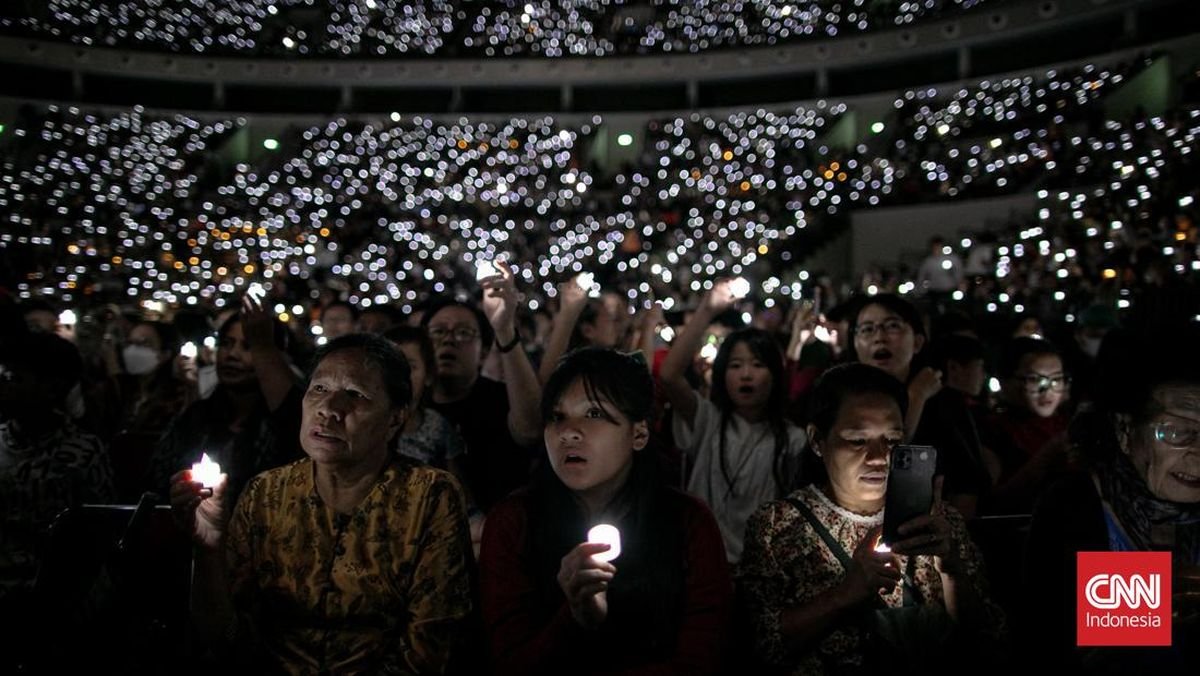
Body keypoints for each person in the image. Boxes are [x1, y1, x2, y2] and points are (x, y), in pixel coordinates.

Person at [173, 333, 477, 673]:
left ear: (395, 418)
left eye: (355, 395)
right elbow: (225, 639)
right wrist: (207, 550)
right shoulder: (266, 494)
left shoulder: (429, 496)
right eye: (318, 389)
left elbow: (431, 648)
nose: (329, 409)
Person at [739, 363, 1005, 674]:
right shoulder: (776, 527)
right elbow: (760, 646)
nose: (879, 457)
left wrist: (951, 569)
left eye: (891, 441)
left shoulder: (937, 521)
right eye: (857, 441)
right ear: (816, 440)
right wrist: (844, 595)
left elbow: (990, 643)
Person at [480, 348, 732, 675]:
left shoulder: (688, 521)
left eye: (594, 414)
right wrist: (576, 616)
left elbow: (703, 657)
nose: (569, 431)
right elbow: (508, 661)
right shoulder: (513, 522)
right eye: (557, 416)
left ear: (638, 433)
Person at [1023, 327, 1200, 671]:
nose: (1198, 454)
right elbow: (1054, 649)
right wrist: (1166, 601)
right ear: (1124, 430)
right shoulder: (1075, 505)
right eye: (1179, 433)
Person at [659, 278, 808, 563]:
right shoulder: (708, 421)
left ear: (775, 375)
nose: (746, 375)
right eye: (736, 365)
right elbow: (669, 376)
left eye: (758, 365)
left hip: (761, 569)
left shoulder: (793, 439)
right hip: (701, 562)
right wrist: (707, 310)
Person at [147, 305, 303, 509]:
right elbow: (157, 482)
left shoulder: (283, 426)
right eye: (227, 344)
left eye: (248, 346)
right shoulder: (197, 417)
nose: (232, 355)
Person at [849, 294, 990, 518]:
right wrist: (915, 397)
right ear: (855, 343)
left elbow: (969, 483)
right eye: (867, 329)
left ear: (917, 342)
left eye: (892, 326)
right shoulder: (844, 400)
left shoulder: (946, 402)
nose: (879, 338)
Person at [421, 259, 543, 513]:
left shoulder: (501, 399)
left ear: (484, 350)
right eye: (438, 332)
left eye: (464, 333)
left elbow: (531, 429)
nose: (449, 341)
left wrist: (504, 329)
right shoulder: (409, 405)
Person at [979, 337, 1072, 514]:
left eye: (1056, 379)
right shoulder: (991, 429)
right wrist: (1048, 455)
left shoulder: (1067, 424)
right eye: (1035, 380)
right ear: (1006, 382)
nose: (1048, 390)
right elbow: (991, 502)